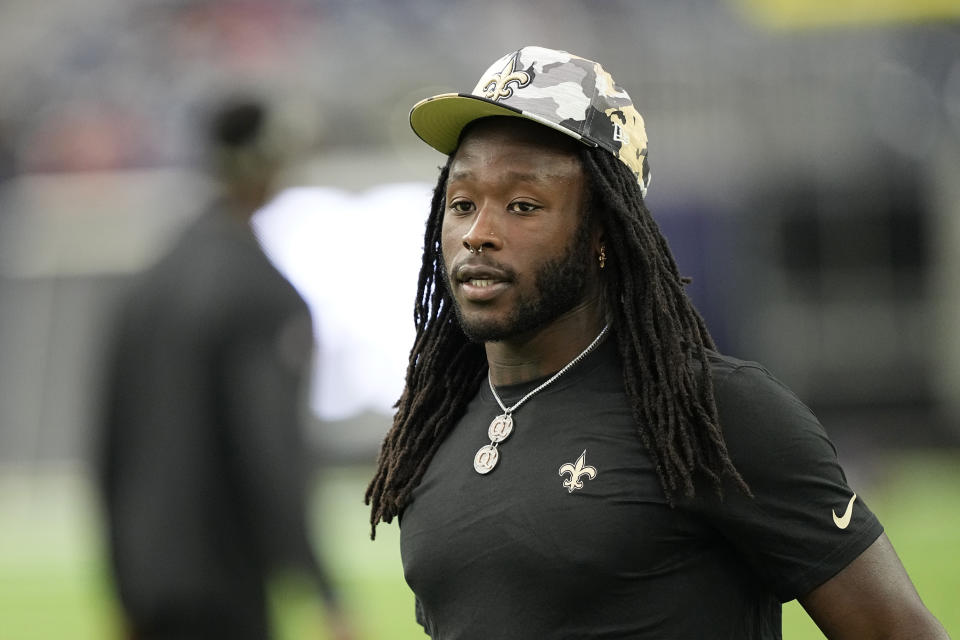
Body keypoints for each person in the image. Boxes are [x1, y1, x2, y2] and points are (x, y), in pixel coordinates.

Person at [365, 46, 949, 639]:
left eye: (522, 206)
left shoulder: (710, 413)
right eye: (461, 204)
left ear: (604, 234)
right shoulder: (433, 427)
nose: (478, 234)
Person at [99, 96, 352, 640]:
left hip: (148, 582)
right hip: (225, 583)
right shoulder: (262, 293)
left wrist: (122, 582)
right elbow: (270, 450)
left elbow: (110, 445)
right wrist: (323, 589)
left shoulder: (147, 285)